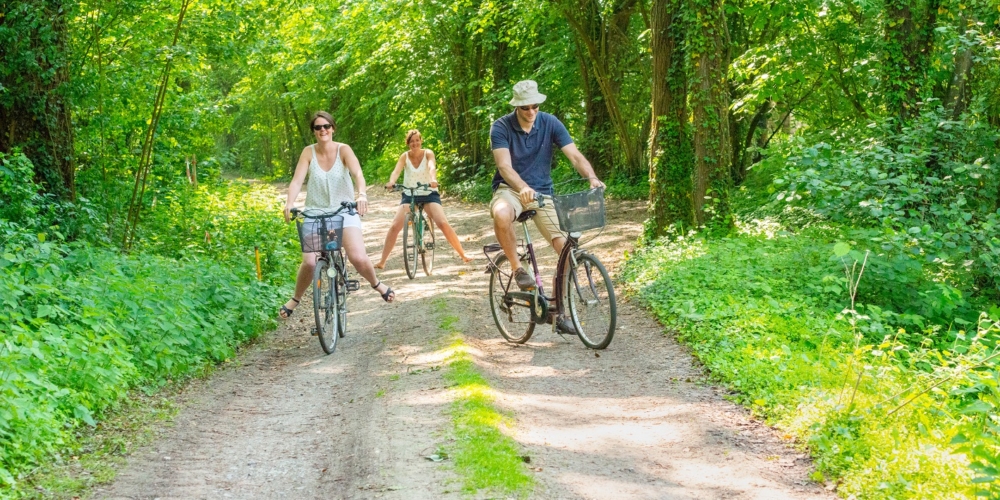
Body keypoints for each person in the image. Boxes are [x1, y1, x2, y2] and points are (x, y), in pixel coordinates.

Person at [489, 80, 604, 334]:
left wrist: (592, 177)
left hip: (542, 193)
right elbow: (504, 167)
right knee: (501, 213)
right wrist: (522, 188)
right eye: (526, 108)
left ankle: (559, 311)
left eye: (535, 107)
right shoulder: (500, 127)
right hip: (511, 189)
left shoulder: (550, 122)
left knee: (566, 249)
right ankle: (518, 269)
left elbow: (574, 155)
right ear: (516, 106)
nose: (531, 112)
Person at [279, 111, 394, 319]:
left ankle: (377, 284)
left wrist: (362, 195)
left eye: (326, 126)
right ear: (313, 132)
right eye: (318, 127)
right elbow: (297, 181)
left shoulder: (344, 150)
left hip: (344, 210)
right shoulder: (308, 152)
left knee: (357, 257)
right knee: (310, 262)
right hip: (315, 213)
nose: (322, 130)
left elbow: (358, 173)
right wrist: (289, 203)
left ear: (332, 128)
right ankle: (295, 299)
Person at [374, 129, 472, 269]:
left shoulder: (428, 153)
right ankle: (382, 261)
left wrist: (433, 179)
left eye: (417, 140)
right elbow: (396, 171)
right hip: (410, 194)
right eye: (412, 141)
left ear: (421, 141)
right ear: (408, 143)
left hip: (428, 193)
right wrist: (391, 182)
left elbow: (432, 166)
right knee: (395, 226)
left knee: (442, 223)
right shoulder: (404, 156)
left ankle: (463, 254)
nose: (415, 143)